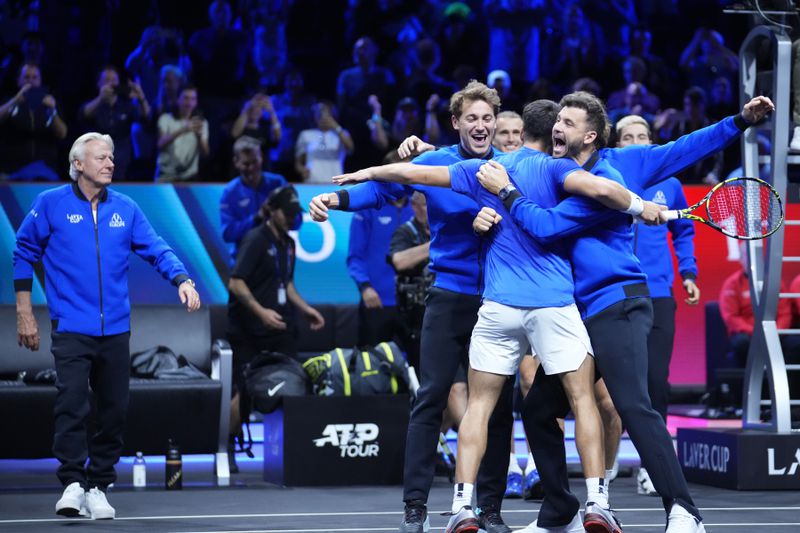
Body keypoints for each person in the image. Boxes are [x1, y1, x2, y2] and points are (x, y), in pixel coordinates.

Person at [331, 97, 660, 533]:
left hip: (498, 306)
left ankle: (463, 507)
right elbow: (605, 191)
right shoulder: (561, 170)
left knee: (479, 406)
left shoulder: (486, 172)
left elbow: (413, 173)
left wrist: (367, 171)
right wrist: (641, 207)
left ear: (520, 134)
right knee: (582, 401)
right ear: (554, 137)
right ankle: (598, 502)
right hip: (552, 305)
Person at [473, 92, 774, 533]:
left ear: (591, 136)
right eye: (557, 121)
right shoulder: (555, 173)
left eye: (568, 123)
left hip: (618, 303)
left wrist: (738, 121)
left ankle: (684, 511)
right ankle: (559, 514)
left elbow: (684, 148)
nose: (558, 128)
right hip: (576, 315)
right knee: (538, 408)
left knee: (634, 404)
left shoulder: (620, 168)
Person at [309, 80, 515, 533]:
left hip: (500, 301)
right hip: (450, 295)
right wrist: (333, 199)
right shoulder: (434, 161)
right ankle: (415, 508)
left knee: (497, 408)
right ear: (456, 123)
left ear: (495, 123)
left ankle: (491, 508)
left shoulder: (511, 167)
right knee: (431, 398)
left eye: (487, 118)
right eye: (472, 119)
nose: (481, 126)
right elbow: (380, 192)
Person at [13, 132, 201, 520]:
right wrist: (25, 311)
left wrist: (182, 279)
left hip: (115, 328)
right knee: (72, 405)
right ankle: (72, 484)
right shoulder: (50, 204)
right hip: (71, 326)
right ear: (78, 164)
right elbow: (23, 252)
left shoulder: (127, 208)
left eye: (112, 157)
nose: (110, 163)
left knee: (114, 410)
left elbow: (156, 247)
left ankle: (98, 485)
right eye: (101, 157)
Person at [614, 114, 701, 496]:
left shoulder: (671, 184)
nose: (636, 142)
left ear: (653, 141)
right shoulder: (607, 178)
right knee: (609, 382)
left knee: (656, 381)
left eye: (642, 136)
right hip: (613, 292)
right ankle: (607, 451)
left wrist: (689, 273)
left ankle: (652, 464)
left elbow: (684, 229)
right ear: (616, 145)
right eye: (628, 137)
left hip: (659, 292)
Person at [226, 185, 325, 469]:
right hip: (248, 329)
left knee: (295, 381)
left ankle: (293, 449)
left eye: (296, 213)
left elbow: (287, 284)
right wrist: (261, 312)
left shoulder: (289, 244)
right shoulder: (255, 239)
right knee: (241, 392)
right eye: (288, 213)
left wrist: (306, 310)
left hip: (280, 326)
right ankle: (229, 446)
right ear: (272, 211)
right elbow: (236, 282)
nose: (293, 218)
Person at [347, 194, 411, 347]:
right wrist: (365, 287)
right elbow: (355, 256)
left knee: (418, 365)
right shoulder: (368, 209)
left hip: (413, 304)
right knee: (371, 363)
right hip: (377, 301)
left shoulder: (419, 206)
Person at [719, 242, 793, 368]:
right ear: (741, 259)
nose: (751, 260)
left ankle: (791, 385)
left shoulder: (775, 282)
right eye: (747, 255)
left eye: (755, 256)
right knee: (741, 343)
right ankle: (745, 385)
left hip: (775, 333)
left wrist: (776, 333)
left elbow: (785, 312)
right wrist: (755, 332)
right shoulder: (732, 284)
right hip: (747, 335)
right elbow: (731, 317)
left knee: (795, 344)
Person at [220, 135, 287, 268]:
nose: (251, 168)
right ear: (236, 162)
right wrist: (256, 218)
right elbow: (227, 233)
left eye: (255, 162)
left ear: (261, 158)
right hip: (243, 264)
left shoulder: (278, 183)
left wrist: (282, 215)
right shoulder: (230, 192)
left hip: (276, 262)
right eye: (246, 164)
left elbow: (297, 221)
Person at [79, 66, 151, 180]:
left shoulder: (127, 106)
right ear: (99, 84)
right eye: (107, 80)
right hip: (95, 163)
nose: (111, 84)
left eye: (114, 80)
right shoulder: (93, 105)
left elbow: (146, 117)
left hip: (122, 164)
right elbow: (84, 114)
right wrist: (100, 99)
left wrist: (141, 98)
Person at [0, 63, 68, 179]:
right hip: (12, 171)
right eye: (26, 77)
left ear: (40, 80)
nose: (31, 81)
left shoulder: (50, 103)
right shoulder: (10, 101)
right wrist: (15, 100)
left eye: (35, 77)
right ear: (18, 81)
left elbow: (62, 134)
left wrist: (52, 111)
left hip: (45, 171)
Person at [154, 85, 209, 182]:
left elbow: (205, 153)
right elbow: (160, 144)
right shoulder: (165, 118)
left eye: (193, 99)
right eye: (186, 98)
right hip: (165, 176)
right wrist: (183, 129)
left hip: (189, 177)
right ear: (178, 100)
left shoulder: (202, 122)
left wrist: (199, 136)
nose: (189, 103)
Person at [294, 101, 354, 184]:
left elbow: (350, 148)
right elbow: (298, 163)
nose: (322, 116)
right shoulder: (305, 134)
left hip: (335, 182)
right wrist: (302, 170)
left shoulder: (341, 134)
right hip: (312, 181)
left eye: (326, 112)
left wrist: (336, 126)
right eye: (319, 113)